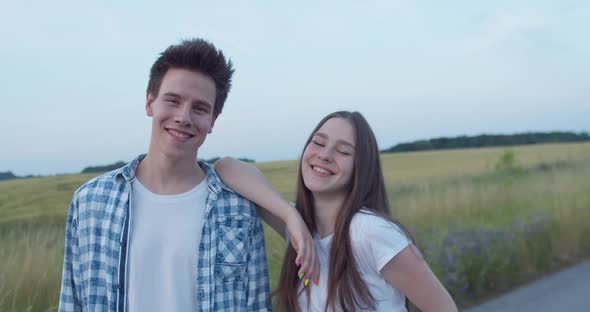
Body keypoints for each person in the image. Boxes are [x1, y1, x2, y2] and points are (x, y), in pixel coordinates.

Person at [58, 38, 318, 312]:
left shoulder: (238, 209)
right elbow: (72, 302)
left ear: (213, 121)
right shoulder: (90, 202)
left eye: (200, 108)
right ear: (150, 103)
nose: (184, 117)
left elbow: (256, 306)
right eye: (173, 100)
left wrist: (291, 216)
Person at [215, 111, 458, 312]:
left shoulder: (370, 232)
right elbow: (226, 167)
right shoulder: (301, 230)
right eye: (318, 143)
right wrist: (291, 217)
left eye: (343, 151)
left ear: (361, 167)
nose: (324, 155)